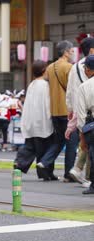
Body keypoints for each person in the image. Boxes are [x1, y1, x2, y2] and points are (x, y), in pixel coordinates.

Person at [39, 40, 77, 182]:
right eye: (71, 50)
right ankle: (69, 173)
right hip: (67, 110)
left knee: (59, 140)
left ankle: (44, 162)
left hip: (54, 110)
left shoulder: (50, 67)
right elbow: (72, 88)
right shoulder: (69, 67)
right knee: (71, 143)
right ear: (66, 52)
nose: (73, 53)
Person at [14, 61, 56, 181]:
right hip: (42, 120)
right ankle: (46, 171)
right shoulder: (46, 85)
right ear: (44, 70)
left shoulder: (32, 84)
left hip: (31, 120)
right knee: (45, 147)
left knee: (31, 145)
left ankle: (20, 163)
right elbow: (47, 104)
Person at [65, 37, 94, 186]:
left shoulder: (74, 67)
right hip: (89, 110)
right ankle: (86, 175)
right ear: (91, 50)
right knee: (89, 144)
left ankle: (80, 171)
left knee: (86, 142)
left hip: (78, 109)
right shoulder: (90, 65)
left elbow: (69, 91)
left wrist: (70, 110)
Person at [74, 54, 94, 194]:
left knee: (93, 155)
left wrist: (82, 137)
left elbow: (81, 115)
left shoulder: (84, 87)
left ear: (88, 70)